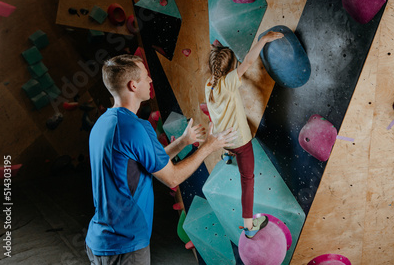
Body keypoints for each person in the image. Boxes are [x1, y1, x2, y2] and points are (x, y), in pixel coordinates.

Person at [85, 54, 237, 264]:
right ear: (133, 85)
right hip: (125, 244)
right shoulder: (136, 128)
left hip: (99, 241)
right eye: (146, 77)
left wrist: (183, 142)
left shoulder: (104, 124)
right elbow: (172, 178)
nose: (150, 81)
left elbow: (147, 164)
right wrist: (209, 146)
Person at [205, 31, 284, 238]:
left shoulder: (208, 86)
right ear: (230, 68)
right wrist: (263, 40)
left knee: (231, 146)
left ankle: (227, 154)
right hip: (240, 142)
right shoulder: (230, 81)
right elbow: (248, 61)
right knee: (247, 179)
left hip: (223, 140)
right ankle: (249, 227)